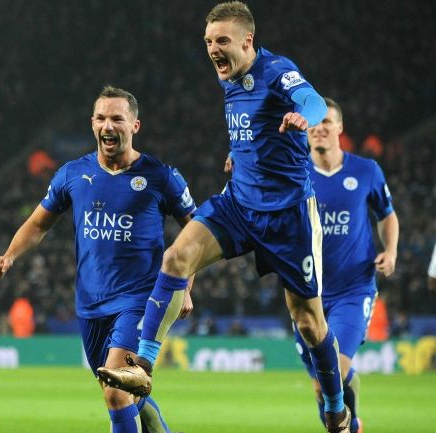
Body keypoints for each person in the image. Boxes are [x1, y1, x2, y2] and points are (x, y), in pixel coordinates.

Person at [97, 3, 351, 432]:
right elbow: (253, 128)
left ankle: (335, 406)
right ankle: (143, 365)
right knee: (177, 257)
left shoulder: (276, 70)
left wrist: (302, 116)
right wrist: (241, 153)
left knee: (309, 322)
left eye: (222, 42)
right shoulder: (231, 79)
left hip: (288, 216)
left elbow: (308, 99)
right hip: (238, 205)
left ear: (248, 42)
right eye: (209, 42)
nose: (213, 49)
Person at [0, 86, 196, 433]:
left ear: (135, 126)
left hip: (140, 300)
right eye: (101, 118)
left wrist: (184, 287)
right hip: (90, 303)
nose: (107, 125)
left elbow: (196, 232)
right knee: (121, 391)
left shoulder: (161, 177)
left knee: (116, 393)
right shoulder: (73, 174)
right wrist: (9, 255)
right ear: (92, 124)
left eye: (117, 118)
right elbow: (39, 223)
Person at [293, 97, 398, 433]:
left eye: (327, 122)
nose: (320, 128)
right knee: (320, 386)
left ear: (339, 127)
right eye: (314, 123)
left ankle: (349, 428)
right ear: (306, 130)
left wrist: (391, 250)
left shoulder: (366, 170)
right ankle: (348, 424)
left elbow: (387, 215)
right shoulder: (294, 172)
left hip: (354, 288)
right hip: (306, 292)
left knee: (332, 370)